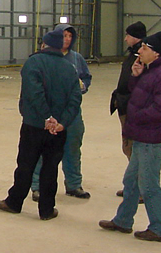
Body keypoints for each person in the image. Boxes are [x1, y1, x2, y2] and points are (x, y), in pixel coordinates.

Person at [99, 31, 161, 243]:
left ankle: (159, 228)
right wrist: (136, 76)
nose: (139, 51)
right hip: (142, 136)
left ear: (155, 53)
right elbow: (140, 95)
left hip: (151, 139)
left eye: (144, 48)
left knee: (149, 184)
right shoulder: (151, 70)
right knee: (131, 181)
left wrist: (136, 118)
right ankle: (123, 220)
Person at [0, 27, 82, 221]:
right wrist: (61, 122)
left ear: (44, 44)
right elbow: (75, 99)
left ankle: (14, 202)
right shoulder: (70, 68)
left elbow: (34, 94)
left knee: (26, 164)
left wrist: (46, 117)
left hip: (34, 125)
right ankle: (47, 210)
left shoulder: (33, 63)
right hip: (58, 129)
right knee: (50, 168)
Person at [31, 23, 92, 200]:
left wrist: (83, 85)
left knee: (73, 147)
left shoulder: (76, 58)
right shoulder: (44, 59)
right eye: (64, 35)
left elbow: (86, 77)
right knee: (44, 149)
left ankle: (73, 184)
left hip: (72, 112)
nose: (67, 39)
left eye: (70, 36)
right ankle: (37, 186)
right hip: (50, 111)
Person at [110, 21, 147, 197]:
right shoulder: (133, 54)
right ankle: (133, 186)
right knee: (128, 148)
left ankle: (139, 189)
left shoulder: (141, 57)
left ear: (136, 37)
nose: (125, 39)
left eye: (128, 35)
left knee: (133, 149)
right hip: (125, 106)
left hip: (132, 109)